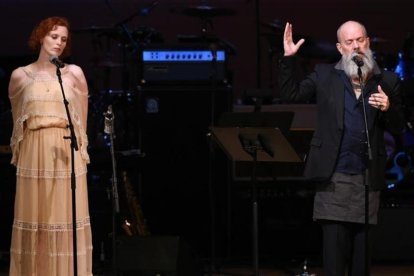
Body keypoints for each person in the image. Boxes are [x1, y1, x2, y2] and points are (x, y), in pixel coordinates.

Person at [278, 20, 404, 275]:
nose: (356, 46)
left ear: (368, 42)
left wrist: (389, 109)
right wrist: (288, 58)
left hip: (367, 180)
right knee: (334, 261)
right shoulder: (325, 75)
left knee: (361, 262)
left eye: (360, 40)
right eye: (349, 42)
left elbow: (400, 126)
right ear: (340, 47)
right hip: (333, 178)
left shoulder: (387, 80)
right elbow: (291, 94)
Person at [8, 16, 92, 275]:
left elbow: (82, 120)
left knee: (64, 218)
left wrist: (81, 151)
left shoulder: (73, 73)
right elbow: (17, 122)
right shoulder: (21, 76)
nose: (58, 43)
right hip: (35, 149)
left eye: (63, 39)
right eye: (53, 36)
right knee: (37, 218)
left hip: (65, 150)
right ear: (41, 36)